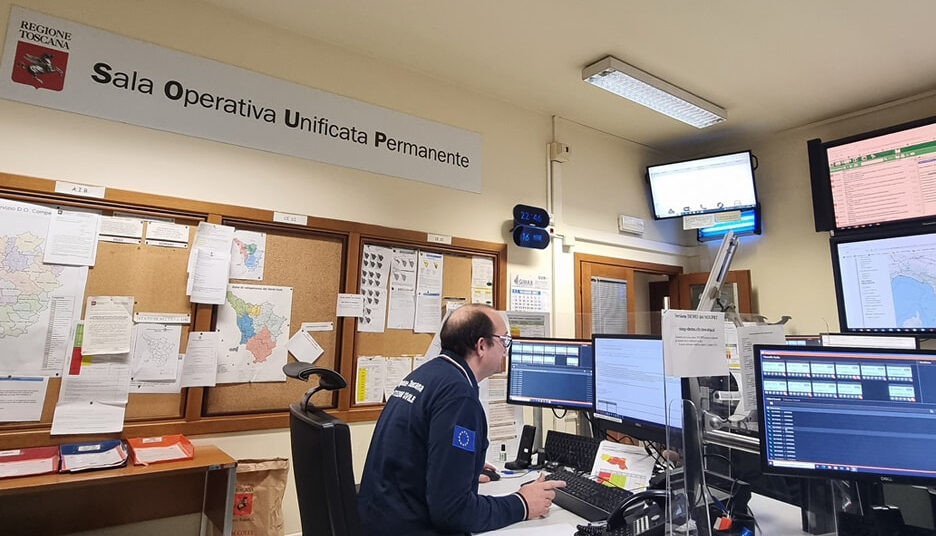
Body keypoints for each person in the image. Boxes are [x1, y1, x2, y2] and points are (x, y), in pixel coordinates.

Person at [357, 304, 565, 535]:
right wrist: (522, 504)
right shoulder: (459, 396)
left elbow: (415, 453)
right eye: (504, 341)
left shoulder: (426, 375)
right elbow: (453, 512)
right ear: (481, 346)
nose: (506, 351)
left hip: (381, 520)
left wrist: (463, 466)